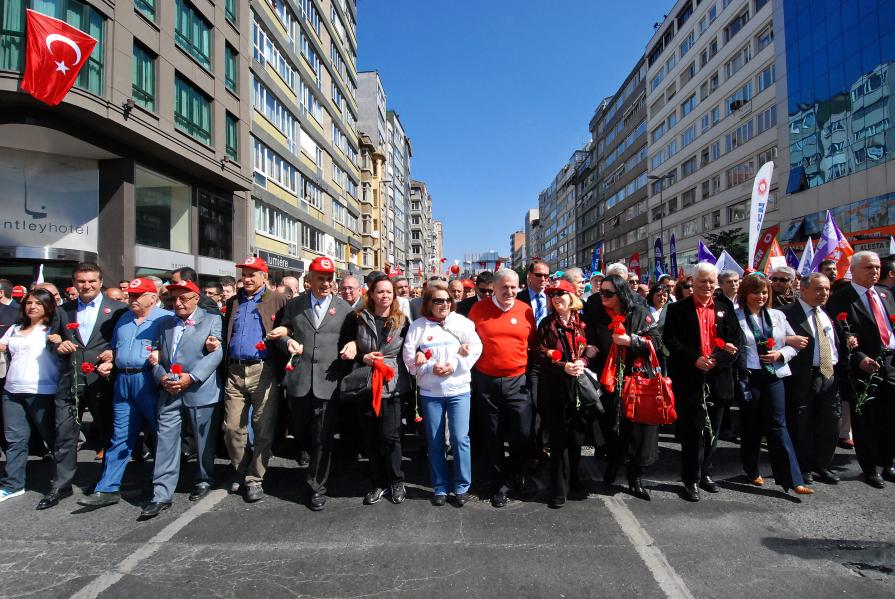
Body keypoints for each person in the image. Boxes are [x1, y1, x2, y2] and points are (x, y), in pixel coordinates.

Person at [78, 278, 172, 509]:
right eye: (131, 295)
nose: (132, 299)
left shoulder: (164, 319)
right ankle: (107, 487)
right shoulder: (124, 318)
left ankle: (159, 483)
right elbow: (116, 346)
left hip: (149, 380)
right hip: (124, 381)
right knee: (120, 436)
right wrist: (111, 359)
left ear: (153, 296)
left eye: (138, 295)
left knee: (160, 435)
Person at [278, 257, 357, 511]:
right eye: (320, 278)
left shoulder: (344, 308)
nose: (325, 283)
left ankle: (316, 486)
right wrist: (286, 341)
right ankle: (313, 463)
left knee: (323, 435)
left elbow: (353, 337)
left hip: (328, 381)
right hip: (300, 379)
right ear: (309, 279)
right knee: (302, 431)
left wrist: (353, 344)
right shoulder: (295, 305)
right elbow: (283, 331)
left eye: (329, 278)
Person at [140, 279, 223, 519]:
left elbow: (216, 353)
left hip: (199, 388)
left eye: (183, 298)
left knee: (202, 438)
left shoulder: (211, 319)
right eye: (174, 298)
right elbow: (154, 355)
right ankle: (161, 493)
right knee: (165, 440)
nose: (178, 303)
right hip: (169, 389)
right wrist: (161, 377)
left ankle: (204, 479)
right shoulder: (164, 322)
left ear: (196, 298)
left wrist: (192, 377)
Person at [663, 263, 743, 502]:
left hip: (718, 378)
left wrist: (717, 359)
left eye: (711, 282)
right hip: (690, 378)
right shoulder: (678, 310)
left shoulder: (724, 309)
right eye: (702, 282)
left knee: (712, 431)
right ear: (692, 282)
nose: (707, 286)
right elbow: (671, 342)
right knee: (691, 432)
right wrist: (695, 359)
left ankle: (706, 471)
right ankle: (691, 478)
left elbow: (734, 342)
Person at [217, 257, 288, 503]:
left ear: (264, 277)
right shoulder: (234, 302)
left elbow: (289, 326)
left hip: (263, 370)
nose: (247, 278)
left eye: (252, 274)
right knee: (232, 427)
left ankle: (255, 478)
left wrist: (286, 332)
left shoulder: (278, 300)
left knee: (262, 427)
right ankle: (240, 468)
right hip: (235, 370)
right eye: (244, 274)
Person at [404, 283, 481, 506]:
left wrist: (454, 366)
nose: (444, 304)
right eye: (438, 300)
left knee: (460, 439)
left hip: (458, 389)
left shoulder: (463, 323)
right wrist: (429, 368)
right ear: (428, 303)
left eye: (447, 300)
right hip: (431, 393)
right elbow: (409, 359)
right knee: (436, 441)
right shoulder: (418, 327)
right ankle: (439, 486)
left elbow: (476, 348)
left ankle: (462, 486)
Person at [735, 273, 812, 495]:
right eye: (755, 292)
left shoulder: (777, 315)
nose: (760, 296)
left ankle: (792, 479)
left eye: (764, 292)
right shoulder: (736, 316)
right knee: (751, 426)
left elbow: (795, 344)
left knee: (779, 425)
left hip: (774, 375)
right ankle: (751, 469)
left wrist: (780, 353)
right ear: (745, 294)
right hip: (749, 376)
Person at [586, 275, 662, 501]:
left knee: (638, 431)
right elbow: (591, 340)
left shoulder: (639, 312)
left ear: (621, 294)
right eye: (601, 293)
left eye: (608, 293)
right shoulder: (597, 314)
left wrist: (631, 341)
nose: (603, 297)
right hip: (608, 381)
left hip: (636, 380)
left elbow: (656, 341)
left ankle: (635, 476)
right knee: (611, 427)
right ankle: (612, 465)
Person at [826, 251, 895, 488]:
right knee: (866, 420)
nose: (875, 271)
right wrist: (859, 358)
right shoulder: (840, 299)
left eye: (877, 267)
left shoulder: (886, 294)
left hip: (891, 363)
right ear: (853, 271)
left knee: (891, 417)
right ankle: (870, 468)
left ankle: (888, 462)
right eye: (869, 267)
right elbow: (840, 337)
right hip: (863, 368)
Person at [468, 269, 536, 507]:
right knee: (492, 434)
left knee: (522, 433)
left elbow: (533, 343)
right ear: (494, 288)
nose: (509, 291)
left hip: (518, 381)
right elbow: (466, 342)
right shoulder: (478, 310)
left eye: (513, 287)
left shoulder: (526, 311)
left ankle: (517, 472)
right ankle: (499, 484)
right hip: (486, 381)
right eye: (504, 287)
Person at [537, 279, 600, 507]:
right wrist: (562, 365)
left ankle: (575, 481)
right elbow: (540, 351)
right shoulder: (547, 324)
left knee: (576, 439)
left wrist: (582, 361)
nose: (556, 298)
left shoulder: (583, 322)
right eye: (553, 295)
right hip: (555, 388)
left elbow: (593, 347)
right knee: (558, 440)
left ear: (571, 297)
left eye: (561, 294)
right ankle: (559, 489)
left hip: (579, 388)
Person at [55, 263, 127, 462]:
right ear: (74, 283)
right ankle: (61, 484)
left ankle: (106, 480)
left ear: (101, 282)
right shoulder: (62, 310)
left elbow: (127, 341)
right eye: (81, 281)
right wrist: (57, 345)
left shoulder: (119, 309)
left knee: (108, 431)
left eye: (92, 281)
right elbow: (53, 337)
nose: (87, 285)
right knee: (65, 435)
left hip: (103, 379)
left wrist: (113, 353)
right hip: (71, 378)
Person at [352, 276, 410, 505]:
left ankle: (396, 480)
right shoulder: (358, 318)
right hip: (365, 384)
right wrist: (361, 356)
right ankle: (378, 482)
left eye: (389, 292)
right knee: (371, 438)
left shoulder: (402, 321)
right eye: (380, 292)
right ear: (372, 295)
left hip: (391, 384)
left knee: (390, 437)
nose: (385, 296)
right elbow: (347, 344)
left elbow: (411, 347)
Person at [779, 273, 842, 485]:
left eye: (826, 289)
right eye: (818, 289)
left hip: (829, 373)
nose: (823, 293)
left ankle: (823, 464)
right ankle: (803, 466)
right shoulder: (785, 313)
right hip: (803, 376)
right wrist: (788, 338)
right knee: (802, 422)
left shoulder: (827, 313)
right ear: (802, 290)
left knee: (830, 421)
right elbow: (770, 336)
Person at [0, 289, 60, 503]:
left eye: (38, 303)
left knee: (53, 439)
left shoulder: (52, 330)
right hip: (11, 391)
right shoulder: (15, 329)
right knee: (14, 440)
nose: (32, 307)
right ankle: (13, 484)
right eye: (29, 303)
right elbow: (2, 346)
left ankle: (61, 482)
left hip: (42, 391)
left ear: (48, 306)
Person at [517, 259, 551, 327]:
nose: (542, 279)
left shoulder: (553, 297)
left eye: (546, 276)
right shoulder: (518, 298)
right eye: (538, 275)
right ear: (529, 275)